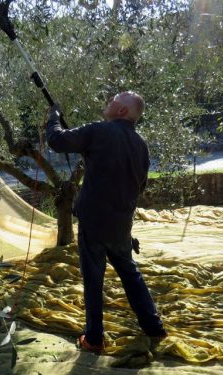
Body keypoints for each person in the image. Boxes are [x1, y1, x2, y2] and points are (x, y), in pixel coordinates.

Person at [45, 91, 167, 353]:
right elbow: (140, 185)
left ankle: (94, 338)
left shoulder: (100, 131)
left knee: (93, 279)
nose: (108, 102)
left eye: (113, 100)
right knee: (131, 275)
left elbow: (56, 140)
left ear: (122, 111)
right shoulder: (141, 145)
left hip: (93, 222)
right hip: (121, 225)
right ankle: (154, 327)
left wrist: (53, 116)